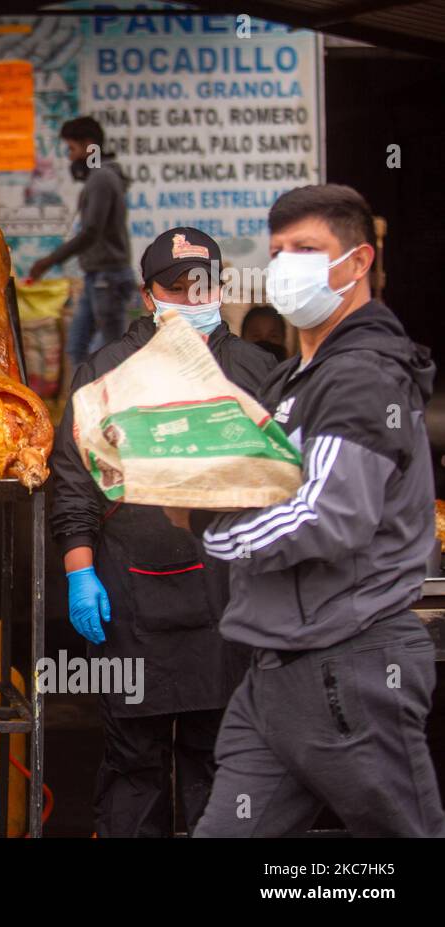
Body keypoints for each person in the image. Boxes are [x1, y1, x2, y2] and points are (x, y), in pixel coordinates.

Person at [171, 185, 444, 837]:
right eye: (277, 251)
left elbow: (328, 514)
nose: (286, 264)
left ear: (356, 263)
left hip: (348, 668)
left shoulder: (363, 376)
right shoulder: (299, 376)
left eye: (307, 249)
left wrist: (210, 522)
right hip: (275, 675)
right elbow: (270, 469)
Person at [49, 227, 276, 837]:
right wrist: (80, 574)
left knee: (220, 765)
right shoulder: (106, 370)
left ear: (220, 286)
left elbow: (290, 484)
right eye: (174, 287)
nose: (188, 296)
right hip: (130, 599)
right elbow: (73, 484)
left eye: (200, 284)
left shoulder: (258, 370)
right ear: (149, 297)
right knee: (134, 767)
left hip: (230, 605)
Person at [28, 117, 134, 368]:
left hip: (107, 278)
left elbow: (91, 231)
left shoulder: (101, 179)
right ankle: (82, 404)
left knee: (110, 352)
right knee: (77, 347)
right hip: (97, 276)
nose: (70, 157)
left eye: (72, 149)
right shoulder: (101, 177)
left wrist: (50, 260)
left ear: (89, 146)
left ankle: (109, 404)